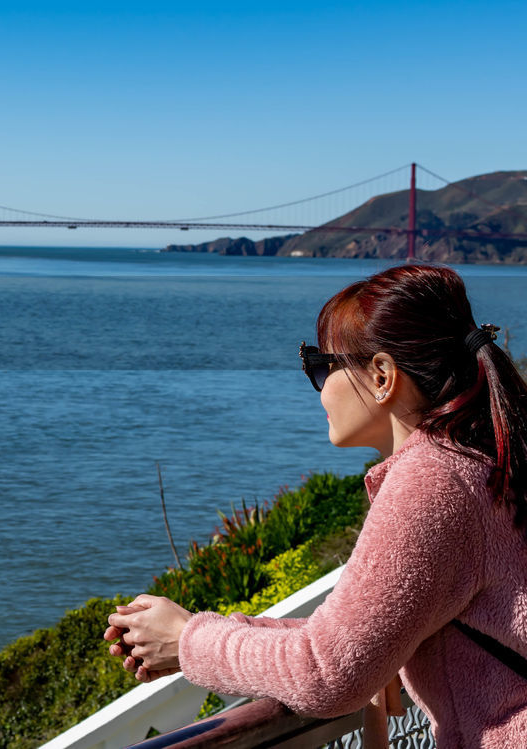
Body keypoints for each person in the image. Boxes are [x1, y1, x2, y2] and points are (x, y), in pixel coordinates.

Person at [104, 263, 527, 746]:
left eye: (321, 366)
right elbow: (352, 634)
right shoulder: (489, 450)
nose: (318, 385)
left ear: (383, 376)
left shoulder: (435, 479)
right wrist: (205, 629)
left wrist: (187, 641)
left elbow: (326, 675)